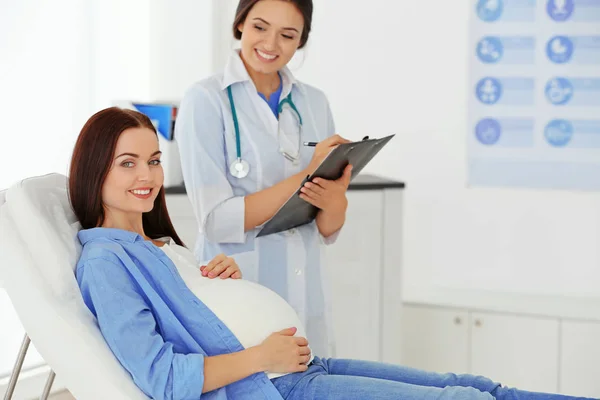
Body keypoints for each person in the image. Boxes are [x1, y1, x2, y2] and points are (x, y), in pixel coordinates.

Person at [70, 107, 595, 400]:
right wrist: (260, 357)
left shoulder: (157, 244)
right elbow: (161, 377)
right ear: (97, 169)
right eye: (128, 163)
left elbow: (189, 319)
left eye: (155, 160)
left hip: (301, 367)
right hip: (276, 387)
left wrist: (213, 281)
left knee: (477, 386)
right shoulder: (105, 261)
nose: (148, 177)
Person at [174, 0, 351, 358]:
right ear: (240, 24)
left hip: (308, 293)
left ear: (301, 40)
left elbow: (326, 230)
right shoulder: (206, 100)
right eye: (259, 27)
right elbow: (218, 221)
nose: (271, 44)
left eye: (287, 35)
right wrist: (307, 176)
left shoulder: (315, 103)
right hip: (241, 296)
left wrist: (337, 201)